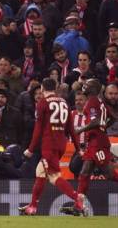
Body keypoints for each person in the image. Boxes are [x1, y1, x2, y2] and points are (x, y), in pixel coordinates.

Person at [19, 78, 83, 216]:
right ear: (55, 88)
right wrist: (78, 149)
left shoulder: (43, 103)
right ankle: (33, 206)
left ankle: (77, 198)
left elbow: (38, 129)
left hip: (49, 145)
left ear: (42, 88)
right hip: (61, 144)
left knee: (54, 176)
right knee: (41, 172)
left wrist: (30, 149)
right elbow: (71, 129)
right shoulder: (64, 103)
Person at [61, 79, 118, 215]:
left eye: (87, 85)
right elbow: (113, 117)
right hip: (94, 142)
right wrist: (104, 128)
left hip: (98, 143)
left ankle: (78, 205)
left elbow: (96, 121)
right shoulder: (100, 102)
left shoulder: (92, 101)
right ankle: (79, 206)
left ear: (93, 88)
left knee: (109, 174)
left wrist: (80, 130)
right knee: (84, 172)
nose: (84, 86)